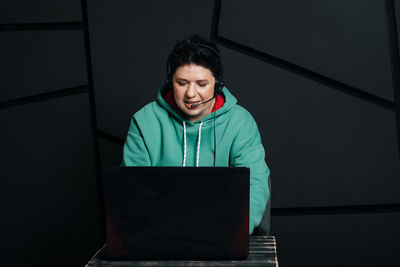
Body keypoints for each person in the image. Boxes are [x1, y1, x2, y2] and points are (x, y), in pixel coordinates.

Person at [121, 34, 270, 235]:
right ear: (170, 81)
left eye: (201, 84)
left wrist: (232, 230)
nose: (191, 94)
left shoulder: (241, 122)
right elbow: (132, 190)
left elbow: (254, 186)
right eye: (182, 83)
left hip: (224, 233)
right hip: (160, 235)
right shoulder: (143, 121)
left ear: (217, 84)